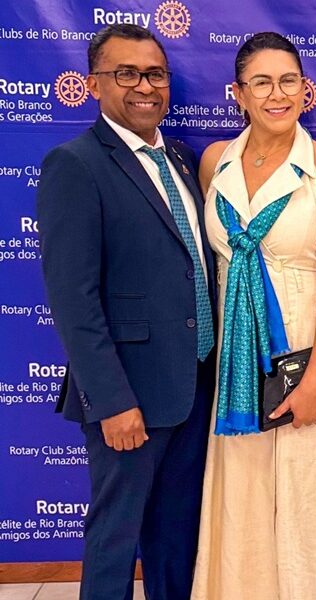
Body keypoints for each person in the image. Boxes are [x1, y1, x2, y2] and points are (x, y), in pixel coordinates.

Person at [190, 32, 316, 599]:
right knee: (244, 486)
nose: (278, 94)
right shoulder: (214, 162)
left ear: (305, 88)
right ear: (238, 94)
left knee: (314, 491)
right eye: (262, 82)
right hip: (238, 354)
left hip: (308, 344)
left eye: (289, 80)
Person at [36, 24, 216, 600]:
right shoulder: (75, 164)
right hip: (129, 394)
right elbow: (74, 300)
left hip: (194, 384)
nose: (144, 86)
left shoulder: (180, 159)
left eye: (155, 74)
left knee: (176, 533)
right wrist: (112, 402)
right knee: (116, 535)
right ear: (94, 84)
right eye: (127, 73)